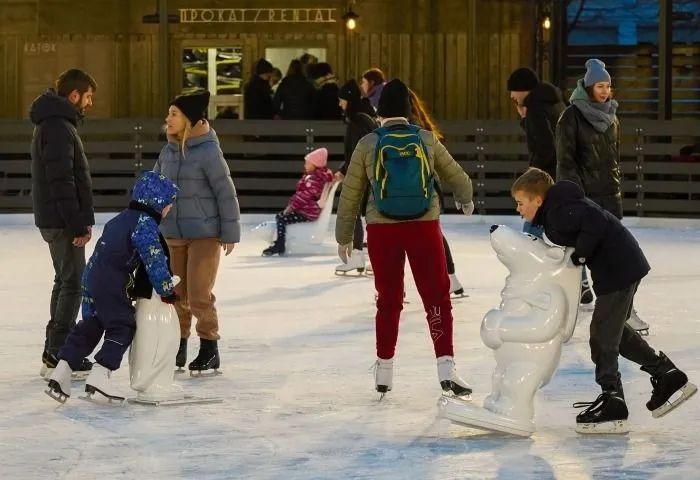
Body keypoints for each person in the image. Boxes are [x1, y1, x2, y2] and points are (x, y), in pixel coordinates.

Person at [511, 167, 696, 433]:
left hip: (619, 270)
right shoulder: (558, 210)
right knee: (615, 334)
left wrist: (580, 256)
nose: (518, 209)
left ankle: (613, 399)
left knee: (601, 336)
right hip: (621, 267)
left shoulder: (558, 211)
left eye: (520, 203)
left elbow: (594, 222)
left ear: (537, 200)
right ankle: (667, 375)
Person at [335, 78, 475, 397]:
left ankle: (384, 372)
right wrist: (465, 198)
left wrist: (344, 235)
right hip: (423, 226)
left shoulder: (369, 143)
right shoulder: (425, 139)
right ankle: (446, 367)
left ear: (380, 112)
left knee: (388, 300)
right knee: (436, 297)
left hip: (382, 229)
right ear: (408, 112)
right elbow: (456, 174)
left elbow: (351, 193)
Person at [45, 172, 179, 404]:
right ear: (157, 202)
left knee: (93, 324)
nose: (169, 208)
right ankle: (101, 374)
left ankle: (62, 371)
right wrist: (167, 289)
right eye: (168, 203)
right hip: (111, 280)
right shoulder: (145, 224)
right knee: (123, 326)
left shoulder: (120, 218)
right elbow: (154, 259)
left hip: (92, 275)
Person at [556, 58, 649, 334]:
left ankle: (626, 312)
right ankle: (566, 318)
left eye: (608, 85)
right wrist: (573, 200)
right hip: (585, 201)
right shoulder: (570, 117)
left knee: (620, 262)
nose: (605, 90)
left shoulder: (612, 116)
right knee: (577, 264)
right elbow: (566, 162)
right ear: (588, 86)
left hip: (610, 199)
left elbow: (613, 160)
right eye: (600, 85)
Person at [154, 91, 241, 376]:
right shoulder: (167, 151)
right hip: (173, 234)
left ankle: (208, 347)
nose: (168, 119)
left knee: (200, 294)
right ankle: (177, 345)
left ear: (189, 119)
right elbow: (154, 189)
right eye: (168, 114)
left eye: (174, 114)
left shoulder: (208, 151)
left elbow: (225, 192)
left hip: (205, 234)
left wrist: (229, 232)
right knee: (177, 294)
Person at [30, 68, 98, 380]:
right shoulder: (58, 126)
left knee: (65, 281)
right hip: (61, 220)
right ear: (74, 96)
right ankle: (59, 353)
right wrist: (77, 224)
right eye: (88, 97)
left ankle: (53, 350)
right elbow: (62, 181)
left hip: (56, 217)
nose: (90, 104)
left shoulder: (55, 123)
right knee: (72, 283)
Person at [408, 89, 466, 297]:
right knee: (430, 233)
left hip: (418, 189)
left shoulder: (409, 128)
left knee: (425, 234)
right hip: (426, 189)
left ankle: (448, 277)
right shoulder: (419, 125)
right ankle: (450, 278)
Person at [506, 66, 566, 238]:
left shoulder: (536, 108)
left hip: (547, 176)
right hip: (564, 172)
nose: (512, 96)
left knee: (532, 229)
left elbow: (545, 146)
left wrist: (534, 173)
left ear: (523, 89)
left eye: (513, 91)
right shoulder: (554, 102)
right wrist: (525, 119)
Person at [334, 79, 378, 274]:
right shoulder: (364, 118)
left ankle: (360, 256)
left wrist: (349, 173)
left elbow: (358, 151)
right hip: (369, 173)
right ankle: (366, 258)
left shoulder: (358, 121)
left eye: (342, 100)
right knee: (364, 215)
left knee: (356, 214)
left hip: (364, 174)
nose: (339, 104)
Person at [263, 148, 334, 256]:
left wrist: (290, 208)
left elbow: (302, 197)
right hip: (309, 210)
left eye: (307, 163)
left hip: (308, 212)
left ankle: (280, 244)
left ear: (315, 165)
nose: (305, 166)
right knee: (280, 217)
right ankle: (280, 242)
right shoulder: (317, 178)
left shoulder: (313, 180)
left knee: (282, 218)